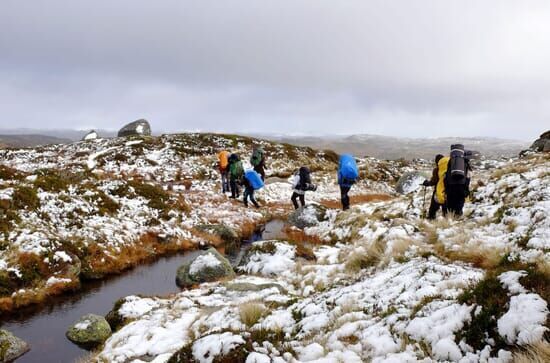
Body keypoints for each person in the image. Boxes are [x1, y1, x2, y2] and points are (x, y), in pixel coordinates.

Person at [444, 144, 471, 216]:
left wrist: (446, 188)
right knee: (459, 205)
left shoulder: (451, 161)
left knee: (450, 206)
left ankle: (450, 220)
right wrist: (466, 189)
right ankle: (458, 218)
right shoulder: (465, 161)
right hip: (461, 186)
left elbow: (447, 175)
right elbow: (467, 176)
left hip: (451, 187)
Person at [422, 154, 448, 219]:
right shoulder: (449, 169)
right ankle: (447, 221)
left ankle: (431, 219)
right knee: (446, 209)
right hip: (449, 192)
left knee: (433, 208)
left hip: (439, 191)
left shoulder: (437, 170)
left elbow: (433, 181)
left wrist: (427, 183)